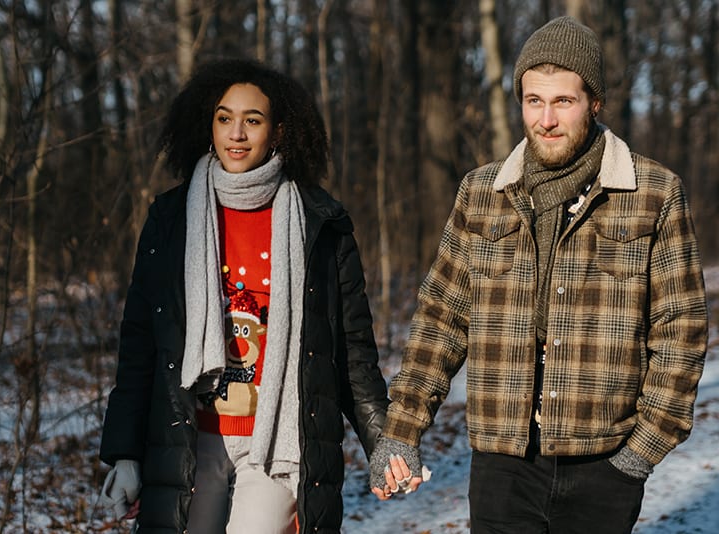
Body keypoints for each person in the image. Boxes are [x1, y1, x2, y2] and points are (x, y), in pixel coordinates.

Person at [369, 15, 708, 533]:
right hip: (502, 463)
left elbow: (681, 333)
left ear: (594, 103)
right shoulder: (482, 194)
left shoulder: (653, 194)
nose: (546, 119)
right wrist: (402, 431)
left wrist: (641, 452)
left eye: (563, 102)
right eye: (534, 101)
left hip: (604, 463)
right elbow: (440, 321)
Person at [98, 58, 389, 533]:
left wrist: (384, 442)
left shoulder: (321, 223)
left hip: (279, 441)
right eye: (224, 118)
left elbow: (351, 350)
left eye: (252, 120)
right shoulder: (171, 220)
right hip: (191, 436)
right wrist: (125, 454)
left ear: (278, 132)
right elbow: (140, 346)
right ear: (207, 124)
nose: (236, 133)